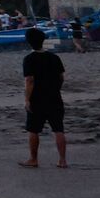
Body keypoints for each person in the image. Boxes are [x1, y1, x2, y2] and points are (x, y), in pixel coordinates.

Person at [20, 26, 69, 169]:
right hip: (54, 96)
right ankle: (62, 160)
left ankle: (33, 158)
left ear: (29, 42)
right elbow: (61, 77)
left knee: (33, 129)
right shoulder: (54, 58)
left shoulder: (29, 59)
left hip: (37, 98)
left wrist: (27, 99)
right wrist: (56, 88)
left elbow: (30, 80)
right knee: (58, 129)